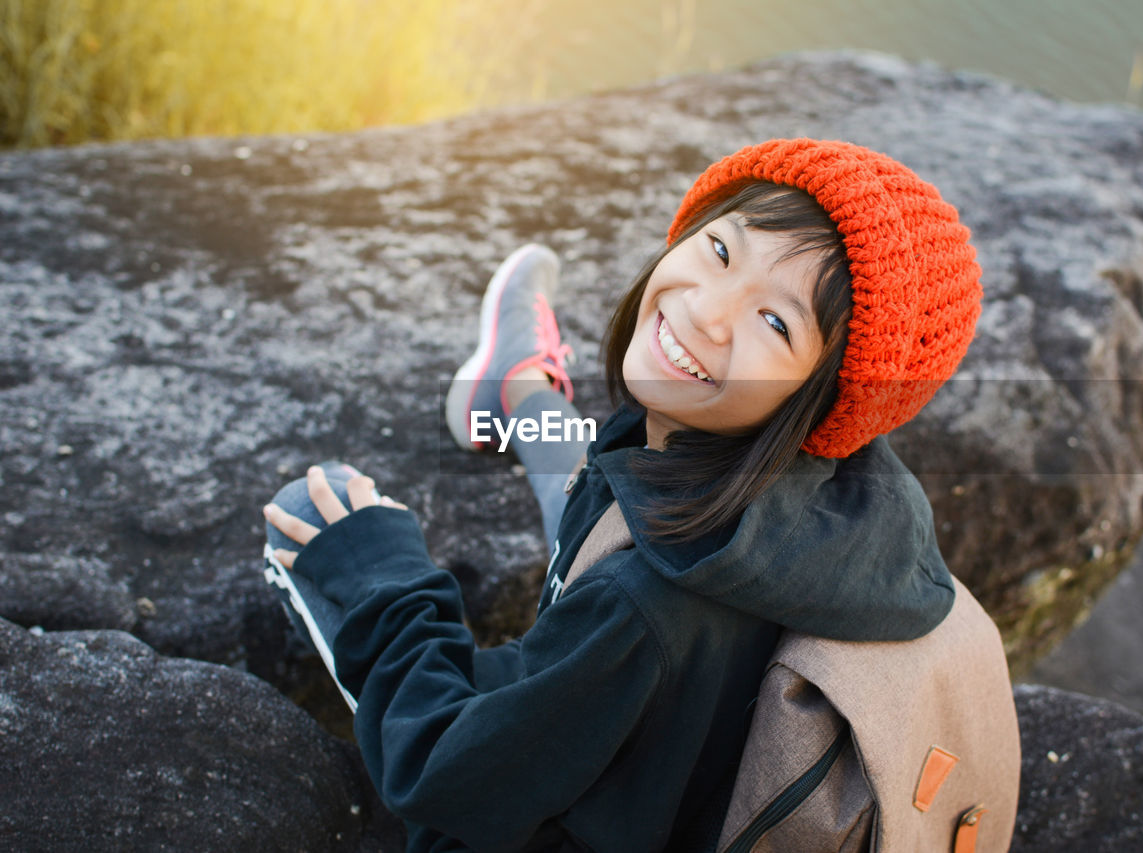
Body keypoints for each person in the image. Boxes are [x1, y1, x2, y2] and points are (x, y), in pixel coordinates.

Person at [262, 138, 983, 852]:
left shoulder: (637, 607)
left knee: (311, 513)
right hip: (658, 729)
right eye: (722, 251)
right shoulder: (844, 505)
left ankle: (513, 392)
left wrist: (386, 580)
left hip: (568, 769)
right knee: (606, 486)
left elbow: (445, 774)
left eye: (774, 322)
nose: (707, 312)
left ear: (824, 402)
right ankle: (516, 386)